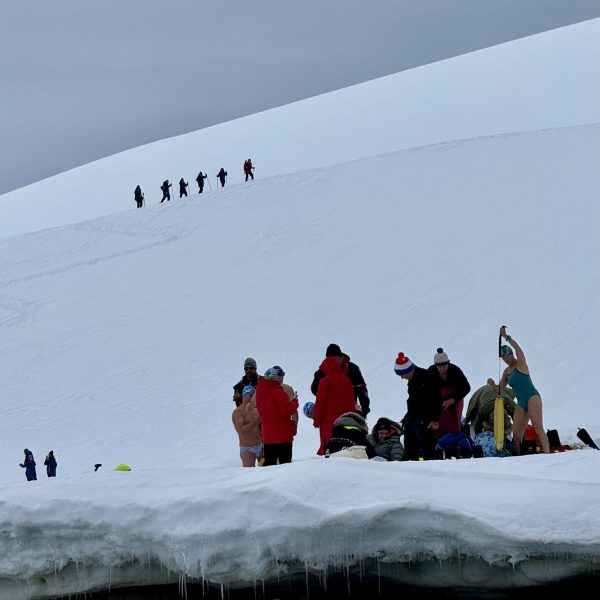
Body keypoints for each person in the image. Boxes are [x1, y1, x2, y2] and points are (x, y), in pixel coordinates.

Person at [487, 326, 550, 454]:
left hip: (532, 398)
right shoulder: (506, 371)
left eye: (506, 357)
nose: (505, 360)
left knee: (538, 427)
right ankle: (519, 458)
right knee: (516, 435)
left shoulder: (520, 363)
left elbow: (518, 349)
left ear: (510, 354)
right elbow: (500, 389)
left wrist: (505, 336)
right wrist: (492, 384)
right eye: (503, 359)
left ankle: (547, 454)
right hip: (521, 403)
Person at [394, 352, 442, 461]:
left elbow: (437, 399)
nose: (402, 377)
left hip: (425, 421)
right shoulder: (412, 380)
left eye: (401, 374)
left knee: (427, 450)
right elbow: (412, 401)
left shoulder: (427, 377)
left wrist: (435, 419)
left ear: (407, 371)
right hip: (412, 419)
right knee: (410, 451)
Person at [312, 354, 357, 455]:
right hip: (346, 422)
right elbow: (351, 402)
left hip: (329, 422)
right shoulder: (346, 380)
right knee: (344, 449)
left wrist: (317, 421)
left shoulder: (324, 382)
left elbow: (320, 404)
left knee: (330, 449)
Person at [255, 366, 299, 465]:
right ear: (275, 378)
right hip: (283, 436)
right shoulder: (277, 392)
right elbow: (287, 410)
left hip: (268, 437)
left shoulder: (259, 392)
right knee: (285, 468)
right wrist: (295, 402)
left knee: (270, 467)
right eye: (280, 376)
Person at [311, 344, 371, 416]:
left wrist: (364, 409)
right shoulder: (322, 372)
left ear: (341, 357)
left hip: (350, 410)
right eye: (331, 360)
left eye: (336, 359)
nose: (334, 363)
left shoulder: (352, 369)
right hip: (331, 412)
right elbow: (315, 390)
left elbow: (361, 390)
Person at [427, 348, 471, 439]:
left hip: (456, 399)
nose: (442, 369)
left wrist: (453, 400)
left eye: (444, 366)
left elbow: (466, 388)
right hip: (439, 401)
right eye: (439, 367)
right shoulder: (431, 371)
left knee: (455, 421)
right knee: (438, 421)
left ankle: (455, 441)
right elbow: (426, 390)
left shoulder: (455, 370)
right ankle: (439, 443)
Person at [232, 385, 263, 467]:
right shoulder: (238, 412)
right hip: (247, 448)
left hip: (260, 444)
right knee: (248, 473)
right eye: (254, 396)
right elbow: (242, 431)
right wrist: (256, 422)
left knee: (267, 470)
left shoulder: (256, 409)